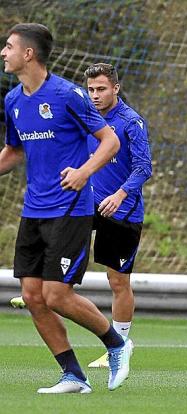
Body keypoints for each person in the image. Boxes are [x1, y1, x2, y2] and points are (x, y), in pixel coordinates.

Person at [0, 23, 133, 393]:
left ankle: (117, 346)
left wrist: (84, 172)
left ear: (29, 54)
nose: (3, 53)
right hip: (33, 212)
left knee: (56, 294)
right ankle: (73, 375)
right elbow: (14, 151)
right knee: (31, 296)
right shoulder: (13, 101)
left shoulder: (68, 95)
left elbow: (109, 141)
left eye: (8, 46)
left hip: (71, 209)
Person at [83, 63, 152, 368]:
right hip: (88, 203)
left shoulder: (130, 122)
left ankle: (121, 343)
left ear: (115, 89)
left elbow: (143, 168)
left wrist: (120, 193)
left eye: (101, 89)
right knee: (59, 238)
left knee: (117, 280)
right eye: (91, 90)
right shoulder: (86, 116)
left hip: (122, 210)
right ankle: (44, 288)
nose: (95, 95)